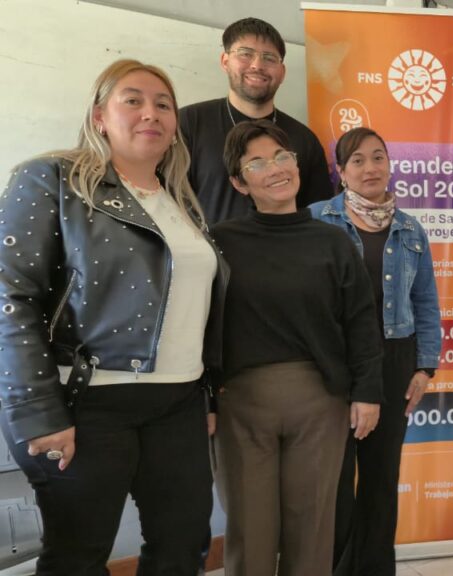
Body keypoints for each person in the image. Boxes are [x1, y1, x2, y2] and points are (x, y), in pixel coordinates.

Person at [0, 59, 224, 575]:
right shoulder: (52, 179)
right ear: (100, 116)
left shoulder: (181, 201)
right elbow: (11, 296)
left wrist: (207, 395)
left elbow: (196, 309)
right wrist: (39, 412)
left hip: (179, 404)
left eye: (163, 104)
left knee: (183, 544)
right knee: (78, 556)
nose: (151, 113)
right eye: (133, 100)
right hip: (86, 402)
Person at [212, 120, 383, 576]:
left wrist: (367, 393)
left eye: (282, 157)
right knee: (250, 529)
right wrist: (206, 398)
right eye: (257, 163)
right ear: (239, 182)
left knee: (312, 528)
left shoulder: (333, 241)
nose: (275, 169)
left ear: (298, 166)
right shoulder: (221, 242)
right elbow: (204, 325)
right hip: (241, 406)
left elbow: (361, 321)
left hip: (320, 402)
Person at [308, 127, 441, 576]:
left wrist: (425, 367)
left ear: (390, 164)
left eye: (378, 157)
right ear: (341, 171)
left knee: (382, 478)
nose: (370, 168)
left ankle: (376, 568)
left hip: (395, 361)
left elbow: (426, 301)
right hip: (334, 364)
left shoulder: (410, 228)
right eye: (358, 160)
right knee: (334, 481)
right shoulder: (316, 220)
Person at [180, 17, 332, 225]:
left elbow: (318, 219)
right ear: (225, 61)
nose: (257, 65)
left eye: (269, 58)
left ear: (282, 72)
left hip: (283, 246)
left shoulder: (305, 139)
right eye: (245, 54)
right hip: (205, 246)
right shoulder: (189, 123)